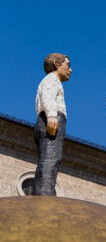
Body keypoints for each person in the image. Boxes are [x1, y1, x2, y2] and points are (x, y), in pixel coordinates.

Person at [33, 53, 72, 195]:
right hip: (51, 120)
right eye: (67, 65)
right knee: (50, 159)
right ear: (57, 64)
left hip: (45, 120)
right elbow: (47, 96)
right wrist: (52, 116)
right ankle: (44, 195)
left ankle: (46, 192)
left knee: (49, 158)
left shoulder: (50, 80)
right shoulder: (52, 79)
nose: (70, 70)